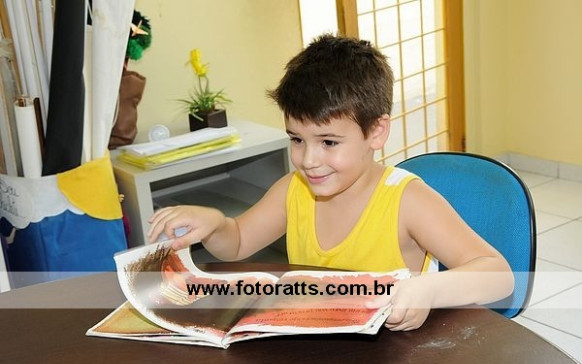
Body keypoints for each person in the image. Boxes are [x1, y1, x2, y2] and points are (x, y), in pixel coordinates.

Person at [147, 34, 514, 331]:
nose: (308, 160)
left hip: (395, 362)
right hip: (320, 353)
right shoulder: (293, 190)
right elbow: (239, 242)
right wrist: (216, 225)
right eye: (296, 139)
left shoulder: (407, 201)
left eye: (328, 142)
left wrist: (428, 290)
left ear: (376, 132)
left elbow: (499, 276)